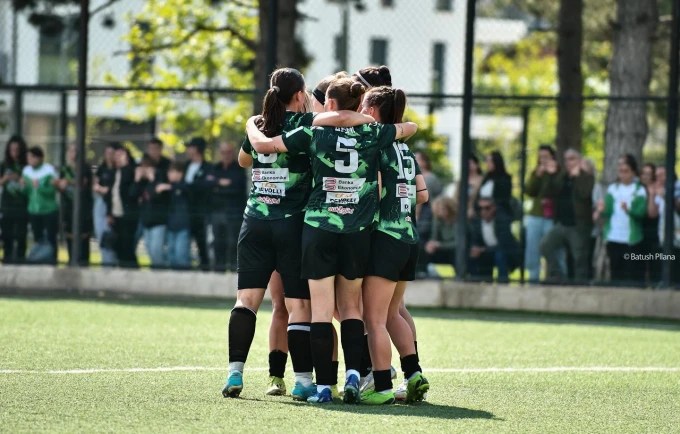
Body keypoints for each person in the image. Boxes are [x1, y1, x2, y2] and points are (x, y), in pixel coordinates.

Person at [245, 76, 417, 404]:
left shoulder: (313, 131)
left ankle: (324, 386)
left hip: (319, 228)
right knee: (352, 308)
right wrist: (358, 118)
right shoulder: (373, 132)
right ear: (359, 104)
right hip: (357, 232)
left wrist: (250, 125)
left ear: (331, 104)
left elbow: (265, 147)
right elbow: (409, 127)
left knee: (322, 312)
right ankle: (354, 376)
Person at [224, 68, 322, 400]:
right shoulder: (305, 124)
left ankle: (235, 374)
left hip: (254, 222)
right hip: (291, 224)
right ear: (300, 95)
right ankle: (303, 381)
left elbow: (243, 160)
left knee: (246, 301)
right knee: (298, 304)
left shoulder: (261, 124)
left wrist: (253, 125)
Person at [359, 86, 430, 405]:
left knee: (373, 319)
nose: (360, 112)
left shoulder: (375, 144)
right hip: (408, 237)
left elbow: (374, 191)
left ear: (374, 111)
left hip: (385, 238)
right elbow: (422, 195)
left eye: (364, 106)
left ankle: (381, 386)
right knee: (391, 313)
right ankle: (413, 374)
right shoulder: (405, 149)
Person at [539, 149, 594, 283]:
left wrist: (578, 176)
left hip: (578, 225)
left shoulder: (587, 177)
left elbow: (584, 193)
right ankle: (557, 274)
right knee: (545, 245)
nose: (569, 162)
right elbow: (548, 192)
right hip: (561, 223)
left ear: (579, 161)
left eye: (572, 159)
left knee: (579, 258)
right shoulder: (562, 176)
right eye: (566, 159)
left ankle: (580, 285)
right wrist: (551, 175)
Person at [598, 154, 647, 285]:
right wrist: (602, 209)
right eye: (621, 171)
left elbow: (641, 213)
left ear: (633, 172)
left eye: (626, 171)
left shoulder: (639, 190)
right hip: (614, 236)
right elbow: (608, 211)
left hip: (631, 238)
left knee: (630, 271)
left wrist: (629, 210)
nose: (623, 175)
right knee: (615, 269)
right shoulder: (613, 189)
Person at [208, 142, 246, 272]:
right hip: (217, 210)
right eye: (223, 152)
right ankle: (219, 267)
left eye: (229, 152)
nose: (226, 155)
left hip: (233, 211)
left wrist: (217, 186)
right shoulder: (215, 167)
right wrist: (220, 183)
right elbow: (206, 184)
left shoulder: (239, 168)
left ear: (233, 153)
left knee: (233, 240)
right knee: (217, 240)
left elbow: (237, 189)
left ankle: (234, 267)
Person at [524, 145, 560, 283]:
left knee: (551, 249)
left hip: (551, 217)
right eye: (540, 157)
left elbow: (555, 190)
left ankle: (551, 279)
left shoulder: (558, 173)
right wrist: (537, 176)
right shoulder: (536, 172)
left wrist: (551, 174)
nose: (543, 160)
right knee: (532, 250)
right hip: (536, 215)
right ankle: (533, 280)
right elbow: (529, 191)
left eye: (546, 157)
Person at [57, 144, 94, 266]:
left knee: (83, 240)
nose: (73, 154)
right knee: (70, 238)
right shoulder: (64, 169)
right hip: (68, 208)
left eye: (75, 151)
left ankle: (84, 264)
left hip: (83, 209)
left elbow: (83, 183)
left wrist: (68, 182)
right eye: (71, 151)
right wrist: (60, 184)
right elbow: (60, 186)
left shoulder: (85, 168)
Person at [468, 197, 521, 281]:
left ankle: (503, 283)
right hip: (485, 253)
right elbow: (474, 240)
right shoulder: (476, 222)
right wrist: (475, 248)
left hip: (504, 252)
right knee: (471, 255)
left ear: (494, 208)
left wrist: (483, 249)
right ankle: (475, 282)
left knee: (500, 255)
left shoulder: (502, 220)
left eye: (487, 208)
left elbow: (504, 244)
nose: (483, 211)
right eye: (480, 208)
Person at [22, 146, 59, 264]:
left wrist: (39, 187)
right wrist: (23, 187)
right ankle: (38, 261)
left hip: (48, 210)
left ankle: (52, 261)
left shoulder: (48, 171)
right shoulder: (26, 171)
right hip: (33, 210)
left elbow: (52, 191)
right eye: (28, 157)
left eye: (32, 157)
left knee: (51, 238)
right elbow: (26, 192)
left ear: (39, 158)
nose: (29, 160)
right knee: (37, 239)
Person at [132, 156, 169, 268]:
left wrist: (153, 179)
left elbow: (158, 197)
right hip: (146, 221)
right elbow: (132, 195)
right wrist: (137, 180)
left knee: (155, 250)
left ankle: (161, 272)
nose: (144, 171)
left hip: (158, 222)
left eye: (146, 168)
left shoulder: (160, 180)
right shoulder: (142, 183)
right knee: (149, 249)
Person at [106, 145, 138, 268]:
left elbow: (129, 192)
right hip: (116, 214)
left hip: (127, 214)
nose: (118, 158)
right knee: (118, 245)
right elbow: (111, 194)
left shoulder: (130, 171)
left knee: (127, 245)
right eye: (116, 156)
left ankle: (130, 269)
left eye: (121, 155)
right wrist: (109, 213)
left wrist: (125, 166)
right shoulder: (114, 172)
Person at [157, 162, 191, 269]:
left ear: (180, 173)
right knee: (171, 256)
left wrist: (169, 187)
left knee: (181, 255)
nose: (170, 175)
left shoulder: (184, 186)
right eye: (169, 172)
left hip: (183, 226)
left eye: (173, 172)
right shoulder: (167, 190)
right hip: (170, 227)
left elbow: (187, 188)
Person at [184, 137, 211, 270]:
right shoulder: (185, 166)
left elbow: (205, 186)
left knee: (201, 240)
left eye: (190, 147)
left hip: (200, 211)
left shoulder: (208, 167)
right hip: (185, 210)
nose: (187, 150)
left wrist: (188, 186)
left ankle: (205, 266)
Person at [0, 135, 28, 264]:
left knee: (21, 235)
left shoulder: (26, 166)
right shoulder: (4, 165)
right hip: (7, 206)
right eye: (12, 149)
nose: (14, 152)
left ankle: (21, 260)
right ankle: (7, 259)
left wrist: (19, 178)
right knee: (7, 236)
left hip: (22, 206)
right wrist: (5, 179)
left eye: (17, 149)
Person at [93, 143, 118, 266]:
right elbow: (96, 184)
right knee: (101, 235)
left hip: (112, 204)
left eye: (111, 153)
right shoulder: (102, 168)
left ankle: (111, 262)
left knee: (109, 235)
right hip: (100, 202)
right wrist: (100, 189)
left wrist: (104, 190)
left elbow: (112, 190)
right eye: (107, 153)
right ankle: (106, 262)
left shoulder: (117, 170)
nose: (109, 156)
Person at [639, 163, 661, 285]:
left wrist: (652, 195)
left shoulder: (656, 190)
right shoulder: (637, 189)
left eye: (648, 174)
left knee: (653, 258)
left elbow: (653, 213)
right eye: (643, 173)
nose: (645, 176)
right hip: (639, 228)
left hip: (653, 229)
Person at [423, 196, 457, 272]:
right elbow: (434, 237)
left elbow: (458, 243)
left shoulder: (457, 221)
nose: (439, 211)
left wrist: (440, 245)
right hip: (442, 251)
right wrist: (431, 244)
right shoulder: (438, 220)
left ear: (449, 208)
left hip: (454, 252)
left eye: (441, 208)